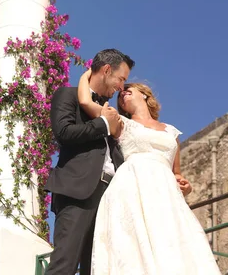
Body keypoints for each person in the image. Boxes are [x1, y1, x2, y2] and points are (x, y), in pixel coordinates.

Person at [77, 69, 221, 274]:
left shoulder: (171, 131)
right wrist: (89, 73)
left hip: (166, 194)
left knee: (172, 246)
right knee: (133, 249)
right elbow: (86, 102)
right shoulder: (120, 122)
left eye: (128, 90)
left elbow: (176, 172)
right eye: (120, 95)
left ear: (144, 94)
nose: (122, 94)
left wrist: (184, 186)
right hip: (132, 187)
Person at [45, 48, 135, 275]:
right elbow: (63, 132)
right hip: (77, 192)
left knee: (96, 269)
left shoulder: (109, 110)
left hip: (111, 196)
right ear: (106, 70)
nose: (121, 87)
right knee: (64, 266)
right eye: (121, 79)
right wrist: (104, 125)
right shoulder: (68, 95)